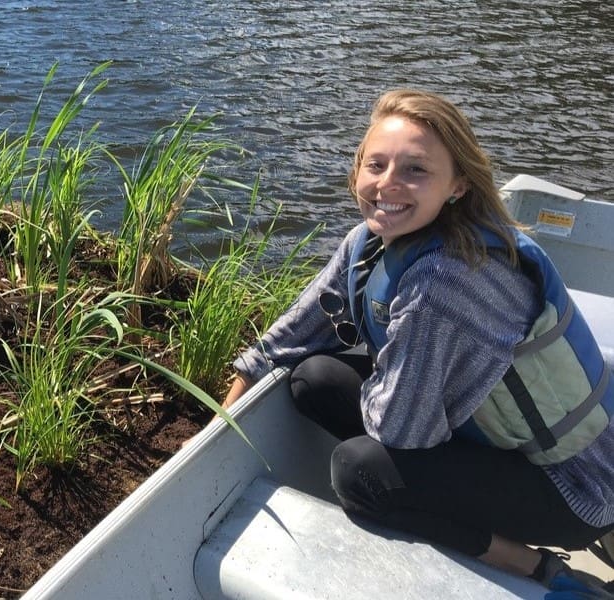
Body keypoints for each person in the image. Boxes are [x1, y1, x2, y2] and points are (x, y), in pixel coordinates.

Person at [227, 89, 614, 596]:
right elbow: (292, 335)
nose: (388, 184)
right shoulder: (368, 242)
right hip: (491, 438)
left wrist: (393, 384)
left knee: (361, 474)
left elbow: (402, 432)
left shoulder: (446, 283)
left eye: (415, 170)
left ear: (456, 187)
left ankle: (540, 569)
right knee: (312, 379)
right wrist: (221, 416)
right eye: (376, 164)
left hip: (572, 488)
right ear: (357, 171)